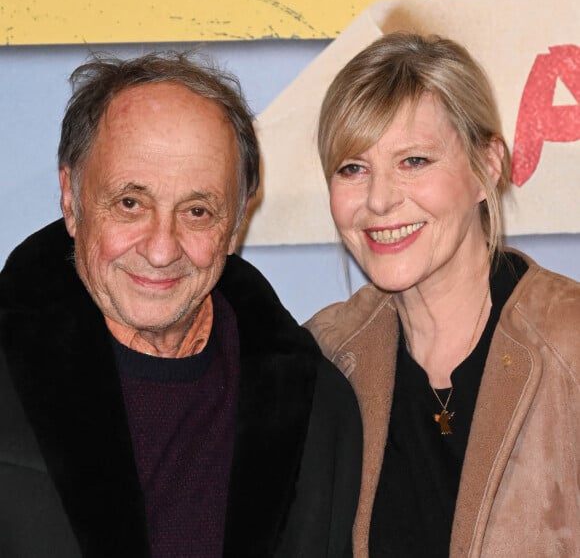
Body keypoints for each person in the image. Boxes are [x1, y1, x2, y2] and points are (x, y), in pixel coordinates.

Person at [0, 53, 362, 557]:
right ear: (70, 197)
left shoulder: (318, 412)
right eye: (131, 203)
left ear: (237, 221)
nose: (161, 248)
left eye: (197, 211)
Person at [306, 32, 580, 558]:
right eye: (353, 168)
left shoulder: (570, 342)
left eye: (414, 161)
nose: (380, 201)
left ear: (488, 167)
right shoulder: (324, 357)